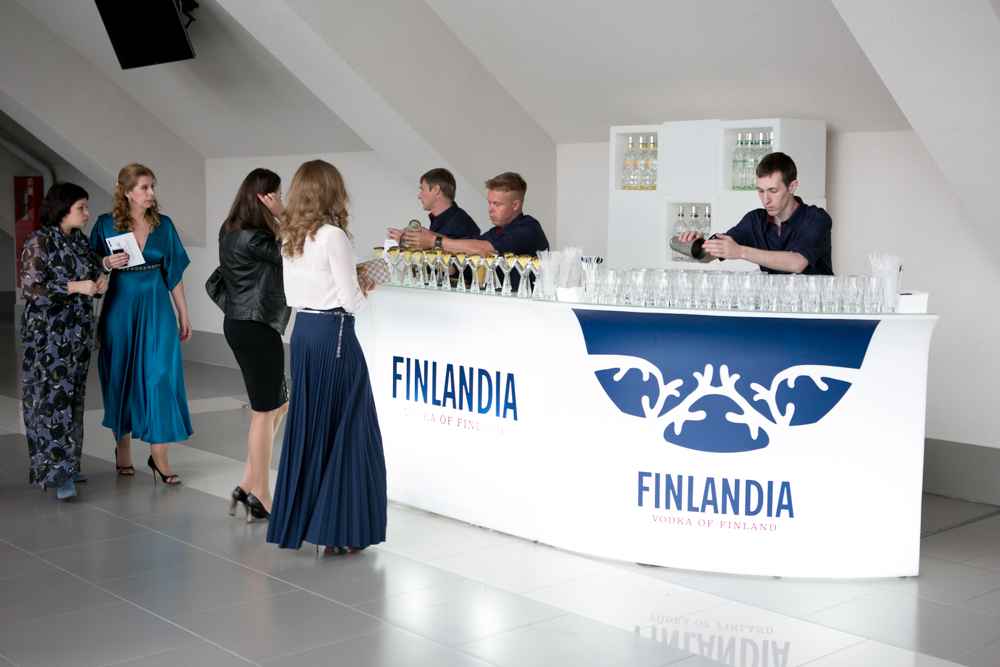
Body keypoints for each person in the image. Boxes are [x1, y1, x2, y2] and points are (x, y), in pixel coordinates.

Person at [266, 159, 385, 551]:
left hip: (303, 333)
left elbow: (295, 292)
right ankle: (340, 530)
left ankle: (313, 524)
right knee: (350, 427)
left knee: (312, 427)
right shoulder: (333, 235)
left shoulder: (289, 233)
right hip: (335, 333)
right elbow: (350, 301)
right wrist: (363, 288)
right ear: (332, 191)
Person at [90, 164, 193, 485]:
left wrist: (183, 314)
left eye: (152, 187)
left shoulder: (164, 225)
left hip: (157, 307)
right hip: (120, 307)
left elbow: (173, 272)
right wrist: (105, 262)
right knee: (119, 376)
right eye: (145, 187)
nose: (151, 193)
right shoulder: (105, 224)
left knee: (161, 376)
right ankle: (122, 449)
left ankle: (159, 457)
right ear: (127, 192)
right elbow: (89, 262)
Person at [209, 168, 291, 521]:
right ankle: (262, 495)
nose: (280, 200)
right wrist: (284, 215)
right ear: (264, 198)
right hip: (256, 327)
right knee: (264, 412)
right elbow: (296, 251)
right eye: (277, 195)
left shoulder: (230, 229)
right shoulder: (256, 237)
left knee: (279, 405)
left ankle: (246, 484)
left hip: (240, 323)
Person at [20, 182, 107, 500]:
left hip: (77, 333)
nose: (87, 213)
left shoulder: (79, 240)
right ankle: (56, 474)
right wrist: (74, 287)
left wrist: (98, 281)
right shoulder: (38, 241)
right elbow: (31, 289)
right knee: (51, 402)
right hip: (48, 338)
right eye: (81, 207)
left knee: (72, 399)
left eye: (86, 206)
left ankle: (69, 464)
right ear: (62, 209)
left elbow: (92, 270)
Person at [678, 152, 833, 275]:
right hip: (772, 305)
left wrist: (741, 251)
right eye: (760, 191)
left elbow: (798, 263)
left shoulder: (817, 218)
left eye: (773, 191)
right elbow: (707, 258)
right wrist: (697, 246)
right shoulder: (755, 221)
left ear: (792, 187)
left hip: (818, 305)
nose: (766, 200)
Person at [403, 171, 549, 289]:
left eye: (497, 204)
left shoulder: (528, 229)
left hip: (533, 306)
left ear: (515, 205)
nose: (490, 209)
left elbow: (484, 250)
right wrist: (423, 234)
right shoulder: (497, 231)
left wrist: (432, 241)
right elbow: (464, 244)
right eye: (489, 203)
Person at [387, 168, 480, 243]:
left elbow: (451, 257)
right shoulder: (440, 219)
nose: (419, 196)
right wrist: (408, 240)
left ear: (436, 190)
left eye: (422, 190)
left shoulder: (461, 225)